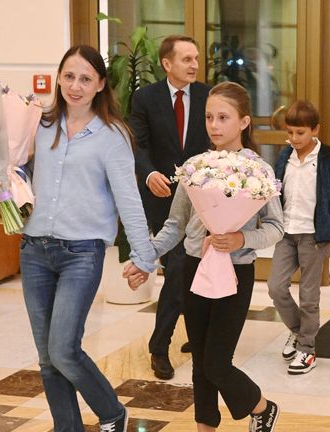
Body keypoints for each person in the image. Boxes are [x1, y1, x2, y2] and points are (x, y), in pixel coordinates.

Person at [6, 45, 156, 432]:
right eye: (69, 76)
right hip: (34, 249)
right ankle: (66, 427)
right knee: (46, 356)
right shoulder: (38, 123)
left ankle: (111, 412)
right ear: (58, 78)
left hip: (81, 254)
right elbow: (19, 173)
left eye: (86, 78)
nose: (76, 85)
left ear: (101, 85)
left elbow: (128, 198)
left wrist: (144, 254)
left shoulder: (111, 135)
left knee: (63, 350)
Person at [125, 82, 284, 432]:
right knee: (200, 363)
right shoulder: (194, 167)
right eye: (209, 117)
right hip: (195, 269)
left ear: (243, 122)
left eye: (223, 117)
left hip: (236, 272)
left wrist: (242, 237)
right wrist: (145, 256)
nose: (214, 125)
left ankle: (261, 405)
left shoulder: (258, 170)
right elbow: (174, 225)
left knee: (216, 361)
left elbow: (276, 227)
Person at [130, 35, 211, 380]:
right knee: (178, 267)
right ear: (167, 63)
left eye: (196, 59)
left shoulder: (209, 96)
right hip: (162, 198)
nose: (194, 65)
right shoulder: (145, 98)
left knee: (199, 267)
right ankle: (159, 347)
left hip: (205, 198)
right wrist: (148, 175)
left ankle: (195, 334)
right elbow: (136, 144)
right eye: (186, 59)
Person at [267, 100, 330, 375]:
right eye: (290, 132)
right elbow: (273, 187)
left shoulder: (328, 157)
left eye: (300, 133)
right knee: (276, 287)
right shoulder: (285, 156)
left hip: (314, 236)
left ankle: (307, 350)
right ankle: (299, 332)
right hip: (287, 232)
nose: (294, 139)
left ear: (315, 130)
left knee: (309, 296)